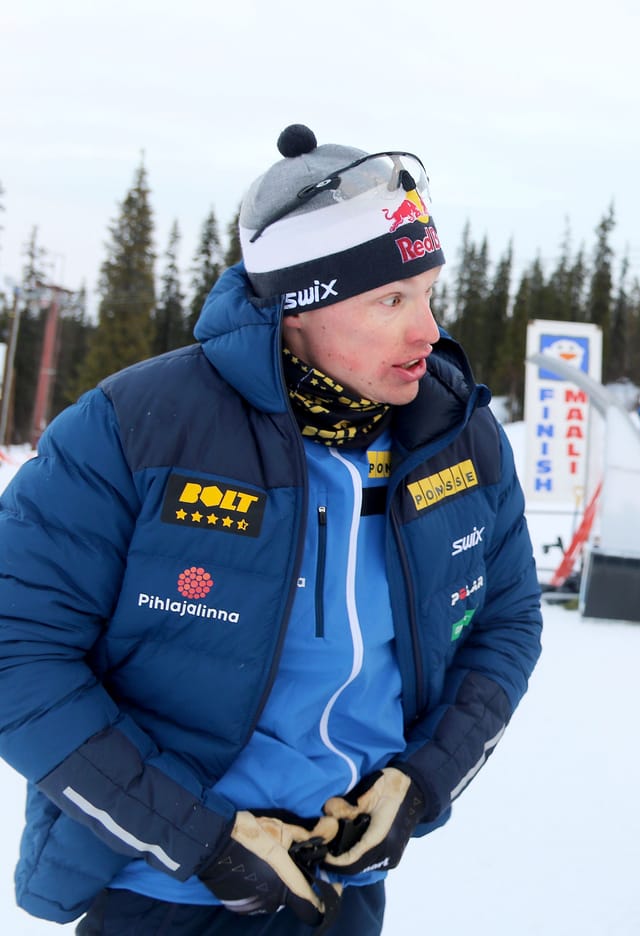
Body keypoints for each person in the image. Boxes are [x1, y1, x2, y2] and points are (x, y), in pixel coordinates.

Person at [0, 125, 543, 935]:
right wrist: (199, 839)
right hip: (165, 892)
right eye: (391, 300)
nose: (427, 332)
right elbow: (17, 650)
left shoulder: (456, 434)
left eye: (429, 293)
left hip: (340, 891)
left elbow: (507, 622)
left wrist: (423, 782)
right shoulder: (137, 428)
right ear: (299, 308)